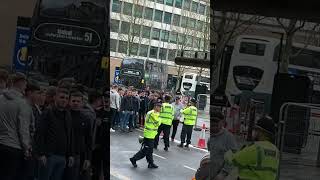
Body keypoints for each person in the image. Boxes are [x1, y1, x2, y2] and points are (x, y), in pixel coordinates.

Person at [215, 116, 280, 180]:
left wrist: (227, 153)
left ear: (261, 132)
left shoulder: (255, 148)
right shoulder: (276, 150)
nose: (254, 132)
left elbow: (234, 160)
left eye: (256, 130)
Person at [35, 87, 74, 180]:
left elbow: (70, 135)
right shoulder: (47, 113)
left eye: (66, 98)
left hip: (63, 156)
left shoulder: (67, 115)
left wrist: (71, 154)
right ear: (55, 98)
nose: (64, 100)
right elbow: (39, 133)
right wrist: (41, 154)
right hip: (49, 155)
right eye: (62, 97)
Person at [0, 72, 32, 180]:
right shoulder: (22, 103)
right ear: (22, 83)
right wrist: (26, 148)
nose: (26, 87)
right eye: (25, 84)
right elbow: (23, 129)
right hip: (14, 147)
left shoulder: (0, 98)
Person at [201, 111, 238, 179]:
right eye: (212, 124)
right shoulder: (211, 137)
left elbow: (233, 158)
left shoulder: (228, 138)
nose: (214, 127)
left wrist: (223, 173)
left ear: (222, 123)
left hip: (222, 175)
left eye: (216, 124)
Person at [66, 90, 92, 180]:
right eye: (73, 101)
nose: (75, 103)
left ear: (82, 103)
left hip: (77, 154)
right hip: (62, 153)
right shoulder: (64, 115)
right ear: (69, 101)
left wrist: (87, 158)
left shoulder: (85, 119)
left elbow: (89, 139)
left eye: (78, 101)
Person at [129, 103, 162, 169]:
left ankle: (150, 163)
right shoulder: (151, 113)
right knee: (146, 150)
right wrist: (160, 120)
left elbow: (158, 122)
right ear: (155, 107)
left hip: (152, 134)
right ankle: (134, 159)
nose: (160, 109)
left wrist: (159, 120)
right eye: (159, 107)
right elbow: (157, 122)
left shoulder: (156, 113)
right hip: (149, 133)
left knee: (149, 150)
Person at [22, 79, 42, 180]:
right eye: (37, 93)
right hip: (26, 149)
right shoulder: (24, 106)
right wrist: (27, 147)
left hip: (34, 149)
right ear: (29, 93)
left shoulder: (36, 107)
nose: (39, 96)